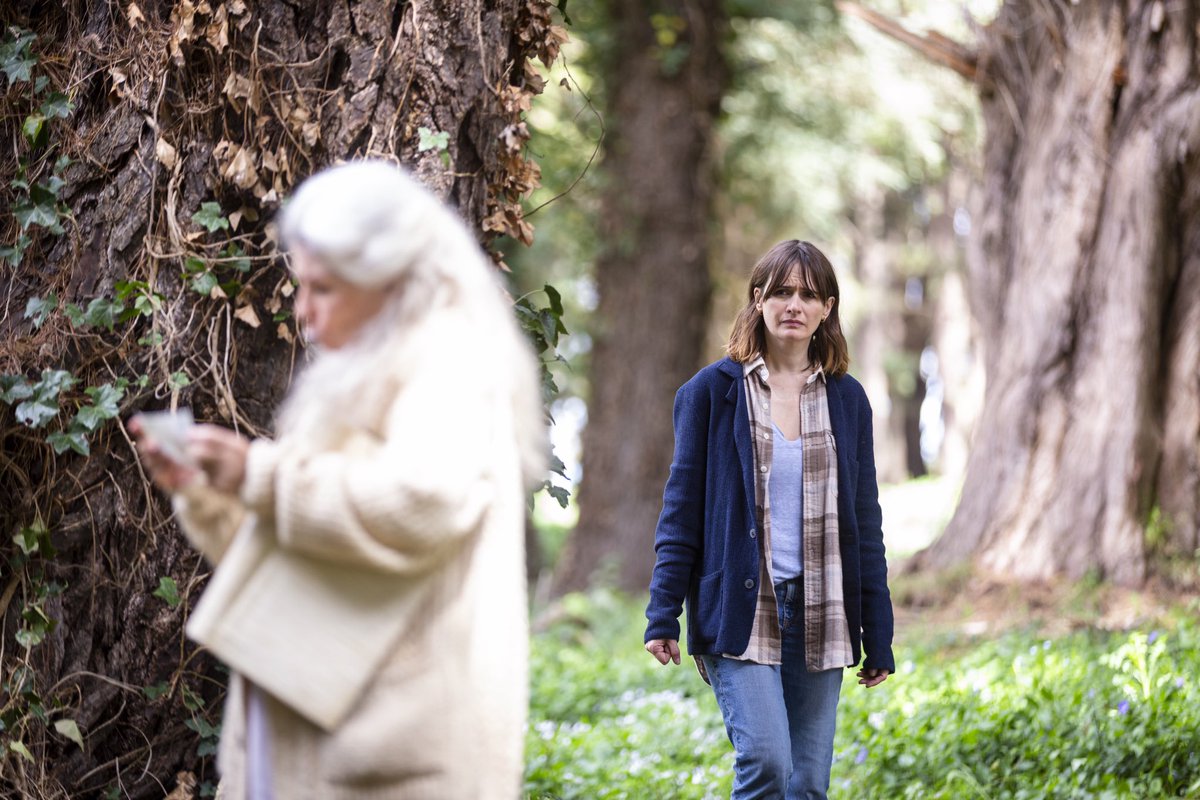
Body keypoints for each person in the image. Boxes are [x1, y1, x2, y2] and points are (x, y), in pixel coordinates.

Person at [131, 160, 546, 799]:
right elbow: (305, 547)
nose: (304, 313)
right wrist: (206, 489)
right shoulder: (359, 371)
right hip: (310, 733)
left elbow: (419, 505)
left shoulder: (452, 367)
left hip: (391, 753)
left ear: (388, 277)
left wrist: (257, 474)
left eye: (322, 289)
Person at [644, 240, 895, 799]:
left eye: (808, 294)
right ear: (758, 300)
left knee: (807, 783)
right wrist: (663, 613)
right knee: (765, 761)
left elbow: (865, 521)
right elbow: (681, 513)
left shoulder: (846, 401)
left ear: (827, 308)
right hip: (740, 609)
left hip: (822, 609)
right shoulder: (711, 393)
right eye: (781, 291)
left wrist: (878, 631)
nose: (794, 305)